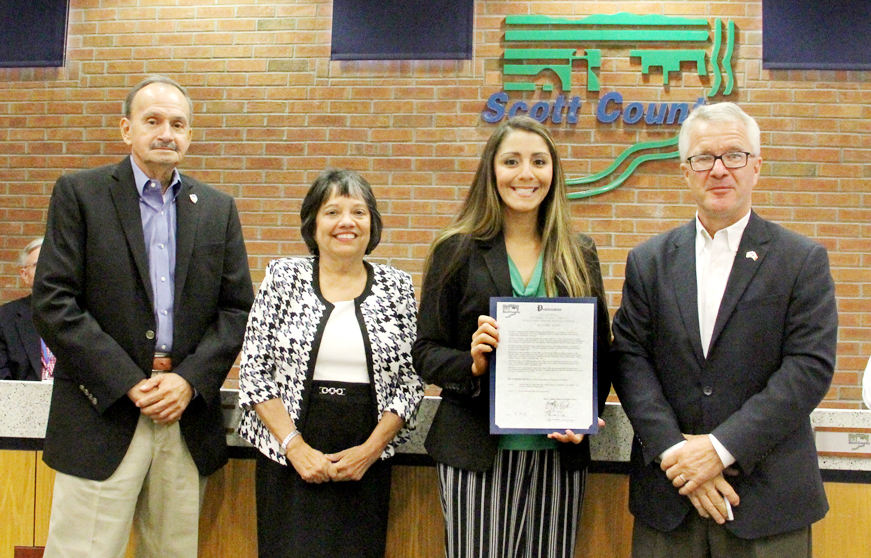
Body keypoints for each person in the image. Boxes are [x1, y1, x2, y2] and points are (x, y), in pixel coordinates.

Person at [32, 75, 254, 558]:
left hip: (182, 415)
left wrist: (188, 381)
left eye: (178, 123)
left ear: (190, 136)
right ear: (126, 129)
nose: (166, 133)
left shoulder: (217, 209)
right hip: (101, 411)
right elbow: (53, 300)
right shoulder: (80, 194)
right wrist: (128, 381)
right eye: (152, 120)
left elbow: (236, 310)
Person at [611, 102, 838, 558]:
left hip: (769, 505)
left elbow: (808, 369)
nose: (718, 169)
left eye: (734, 155)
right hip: (668, 501)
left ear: (757, 167)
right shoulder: (648, 261)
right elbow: (630, 359)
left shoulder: (801, 260)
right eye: (703, 158)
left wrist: (720, 448)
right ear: (685, 170)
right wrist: (676, 454)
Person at [413, 115, 613, 558]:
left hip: (558, 457)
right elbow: (424, 351)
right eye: (512, 161)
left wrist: (586, 416)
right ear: (492, 171)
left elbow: (601, 353)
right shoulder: (456, 249)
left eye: (539, 161)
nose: (526, 174)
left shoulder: (579, 254)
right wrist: (472, 362)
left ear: (554, 173)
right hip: (475, 453)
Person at [238, 169, 424, 558]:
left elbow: (410, 384)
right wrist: (295, 447)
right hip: (287, 456)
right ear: (312, 223)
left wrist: (370, 451)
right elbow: (254, 372)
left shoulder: (398, 286)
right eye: (332, 211)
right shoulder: (282, 277)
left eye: (359, 212)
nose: (346, 222)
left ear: (372, 225)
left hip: (365, 460)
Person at [0, 238, 52, 381]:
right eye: (39, 264)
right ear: (24, 275)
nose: (47, 269)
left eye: (53, 263)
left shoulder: (83, 313)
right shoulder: (5, 317)